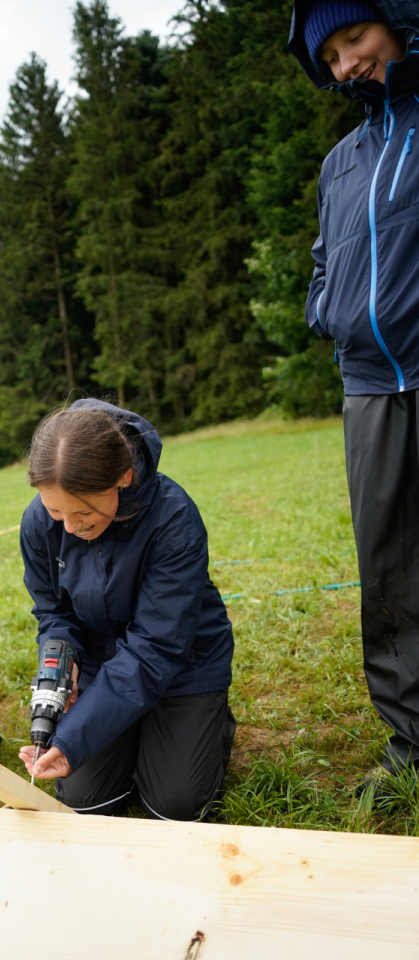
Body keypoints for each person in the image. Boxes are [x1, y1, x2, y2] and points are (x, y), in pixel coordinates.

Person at [289, 1, 419, 790]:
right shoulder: (340, 161)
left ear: (397, 21)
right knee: (389, 571)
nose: (347, 64)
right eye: (331, 55)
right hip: (370, 387)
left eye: (356, 38)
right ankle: (412, 743)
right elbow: (322, 260)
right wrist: (327, 311)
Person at [18, 399, 235, 820]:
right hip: (101, 664)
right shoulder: (39, 522)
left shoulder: (173, 518)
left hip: (181, 666)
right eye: (55, 510)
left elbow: (156, 648)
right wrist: (64, 657)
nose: (70, 527)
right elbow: (53, 610)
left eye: (83, 511)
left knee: (176, 806)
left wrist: (76, 737)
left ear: (123, 476)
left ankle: (208, 722)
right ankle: (130, 728)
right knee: (84, 801)